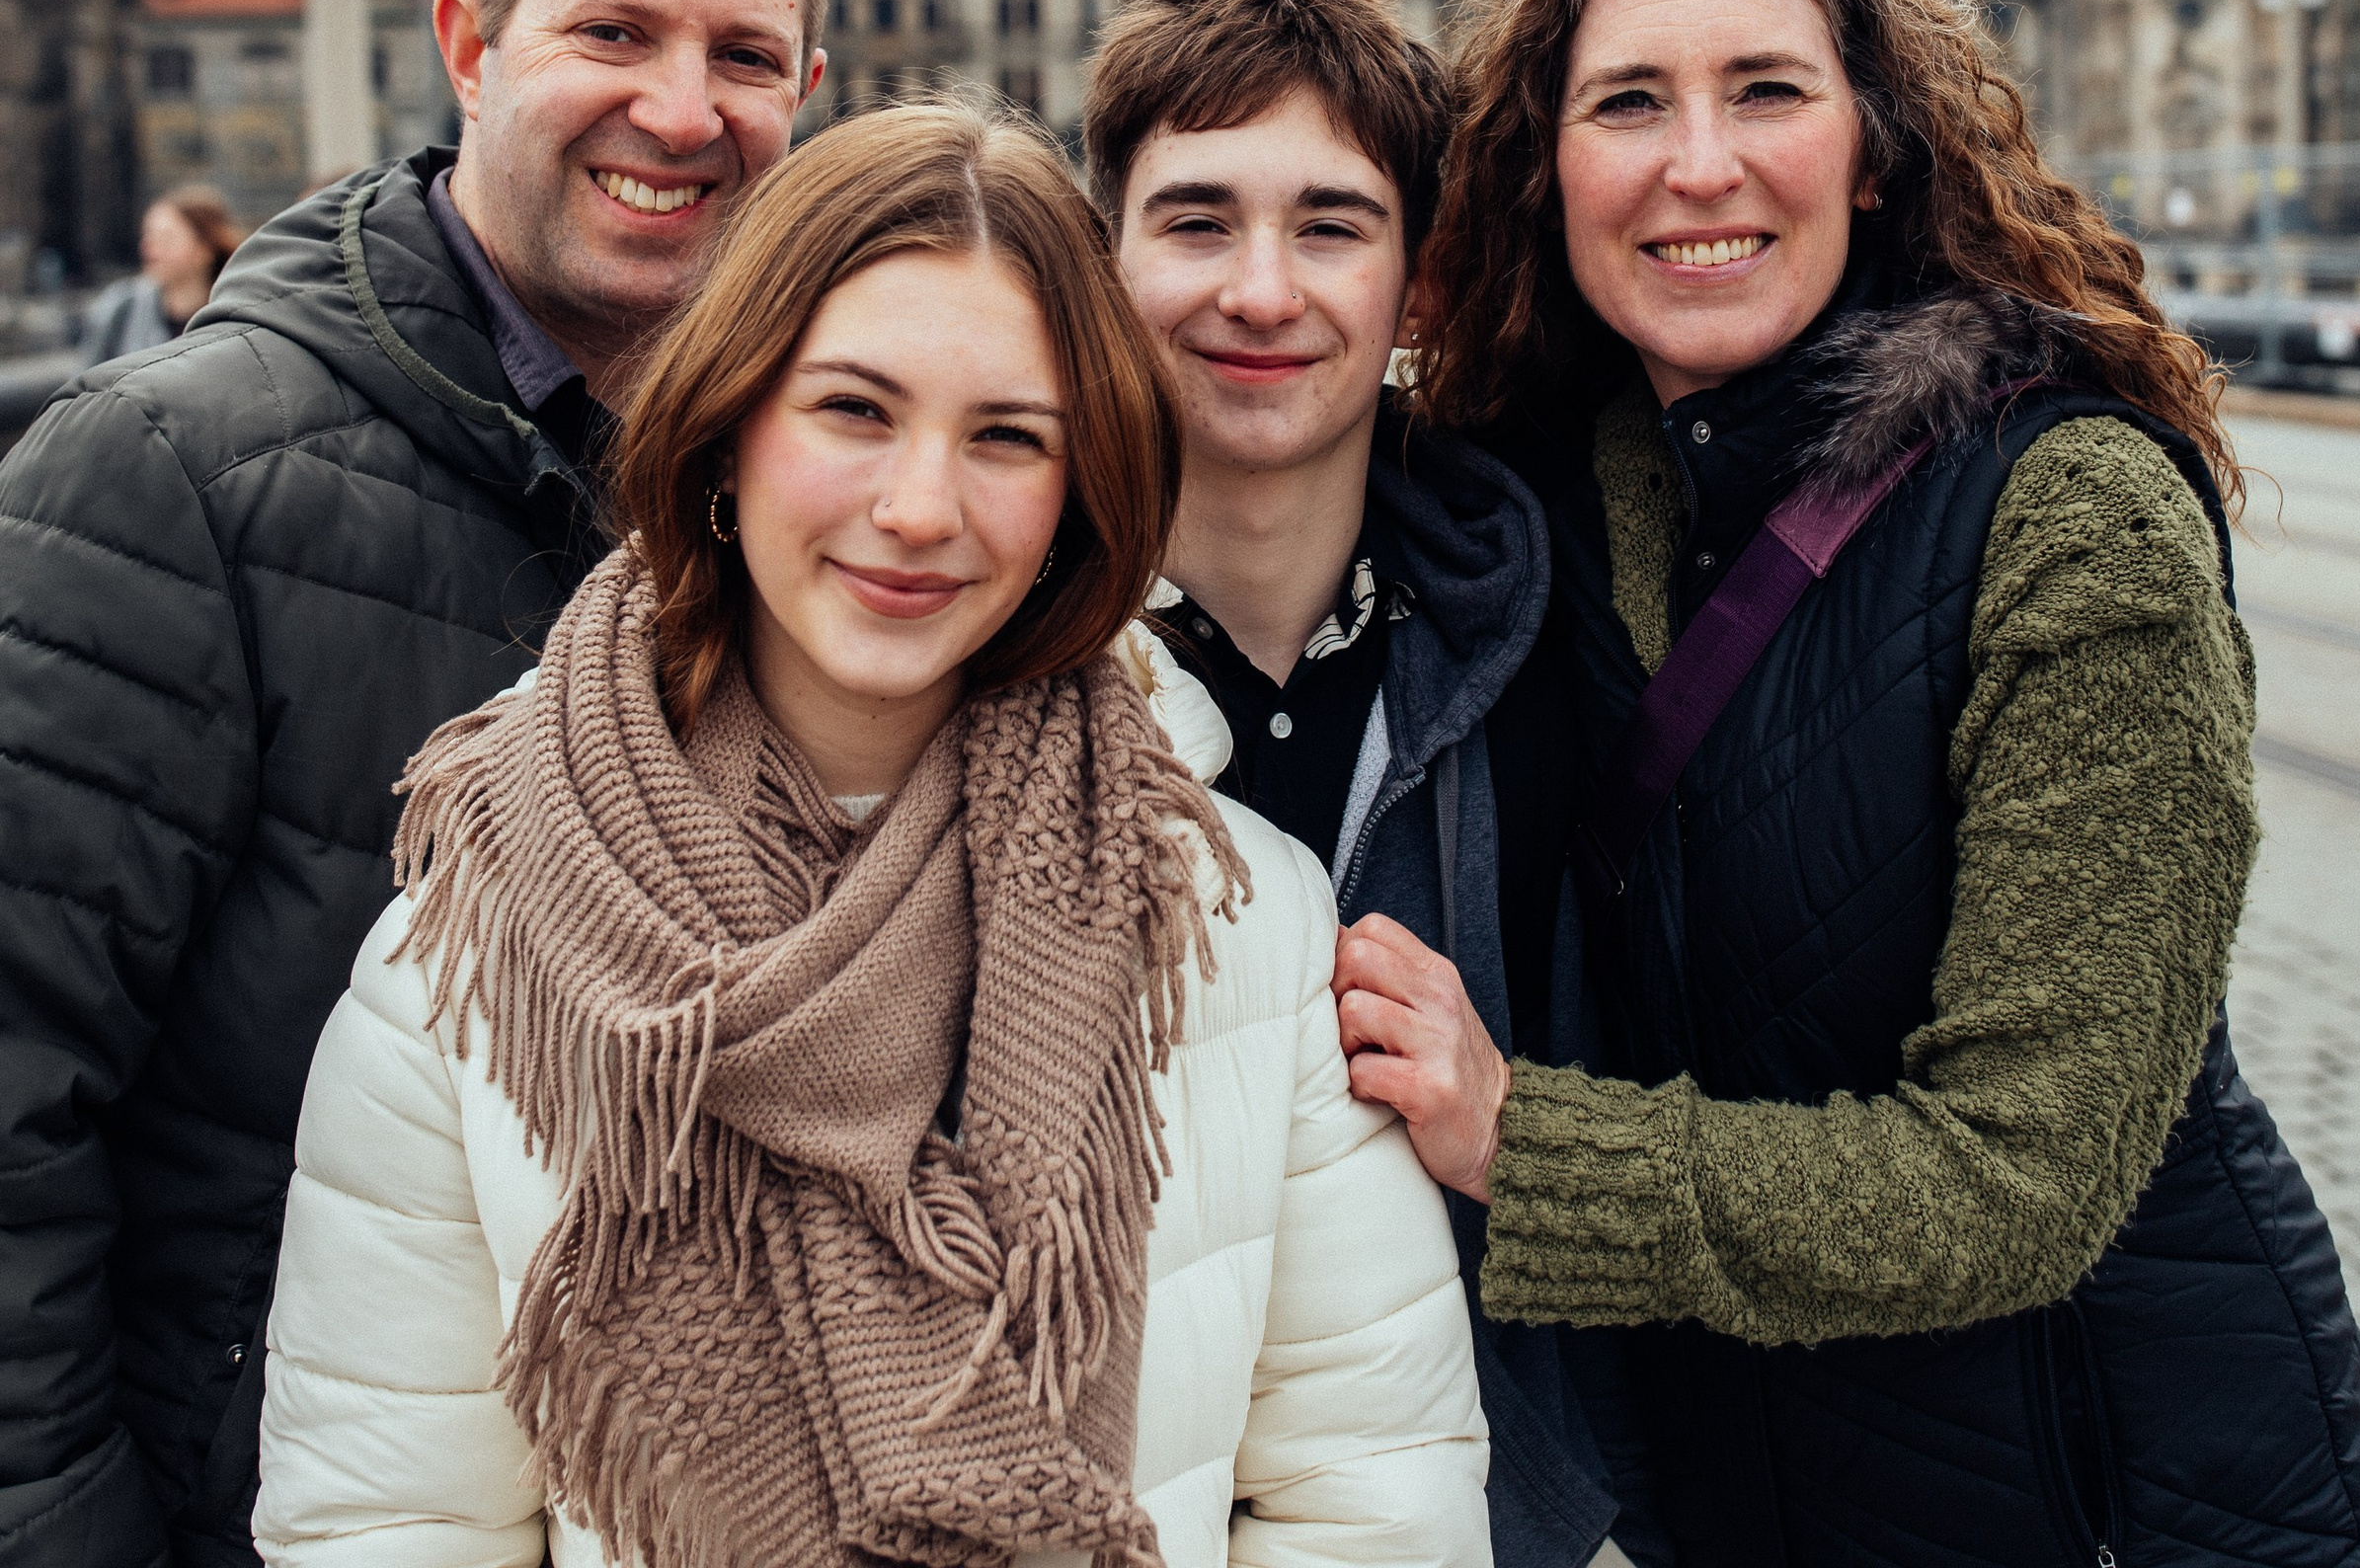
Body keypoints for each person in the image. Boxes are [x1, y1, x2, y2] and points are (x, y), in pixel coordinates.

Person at [1336, 0, 2360, 1567]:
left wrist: (1526, 1147)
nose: (1699, 165)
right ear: (1545, 167)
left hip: (2126, 1496)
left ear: (1878, 150)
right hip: (1758, 1491)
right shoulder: (1545, 494)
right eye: (1627, 103)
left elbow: (2021, 1181)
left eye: (1768, 90)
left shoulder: (2071, 512)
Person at [253, 101, 1490, 1568]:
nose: (919, 509)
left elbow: (1372, 1502)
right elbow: (388, 1529)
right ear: (727, 433)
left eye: (1007, 438)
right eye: (853, 409)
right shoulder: (473, 957)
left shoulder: (1239, 928)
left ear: (1075, 500)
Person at [0, 0, 829, 1568]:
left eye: (744, 56)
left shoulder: (811, 501)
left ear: (809, 91)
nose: (682, 112)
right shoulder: (163, 480)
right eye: (612, 32)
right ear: (467, 46)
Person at [1084, 0, 1643, 1568]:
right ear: (1100, 255)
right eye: (1196, 222)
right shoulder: (976, 651)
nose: (1262, 291)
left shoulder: (1557, 650)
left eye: (1331, 226)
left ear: (1422, 282)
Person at [78, 183, 246, 364]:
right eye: (148, 236)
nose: (150, 248)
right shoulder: (121, 308)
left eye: (167, 238)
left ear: (205, 248)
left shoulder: (235, 314)